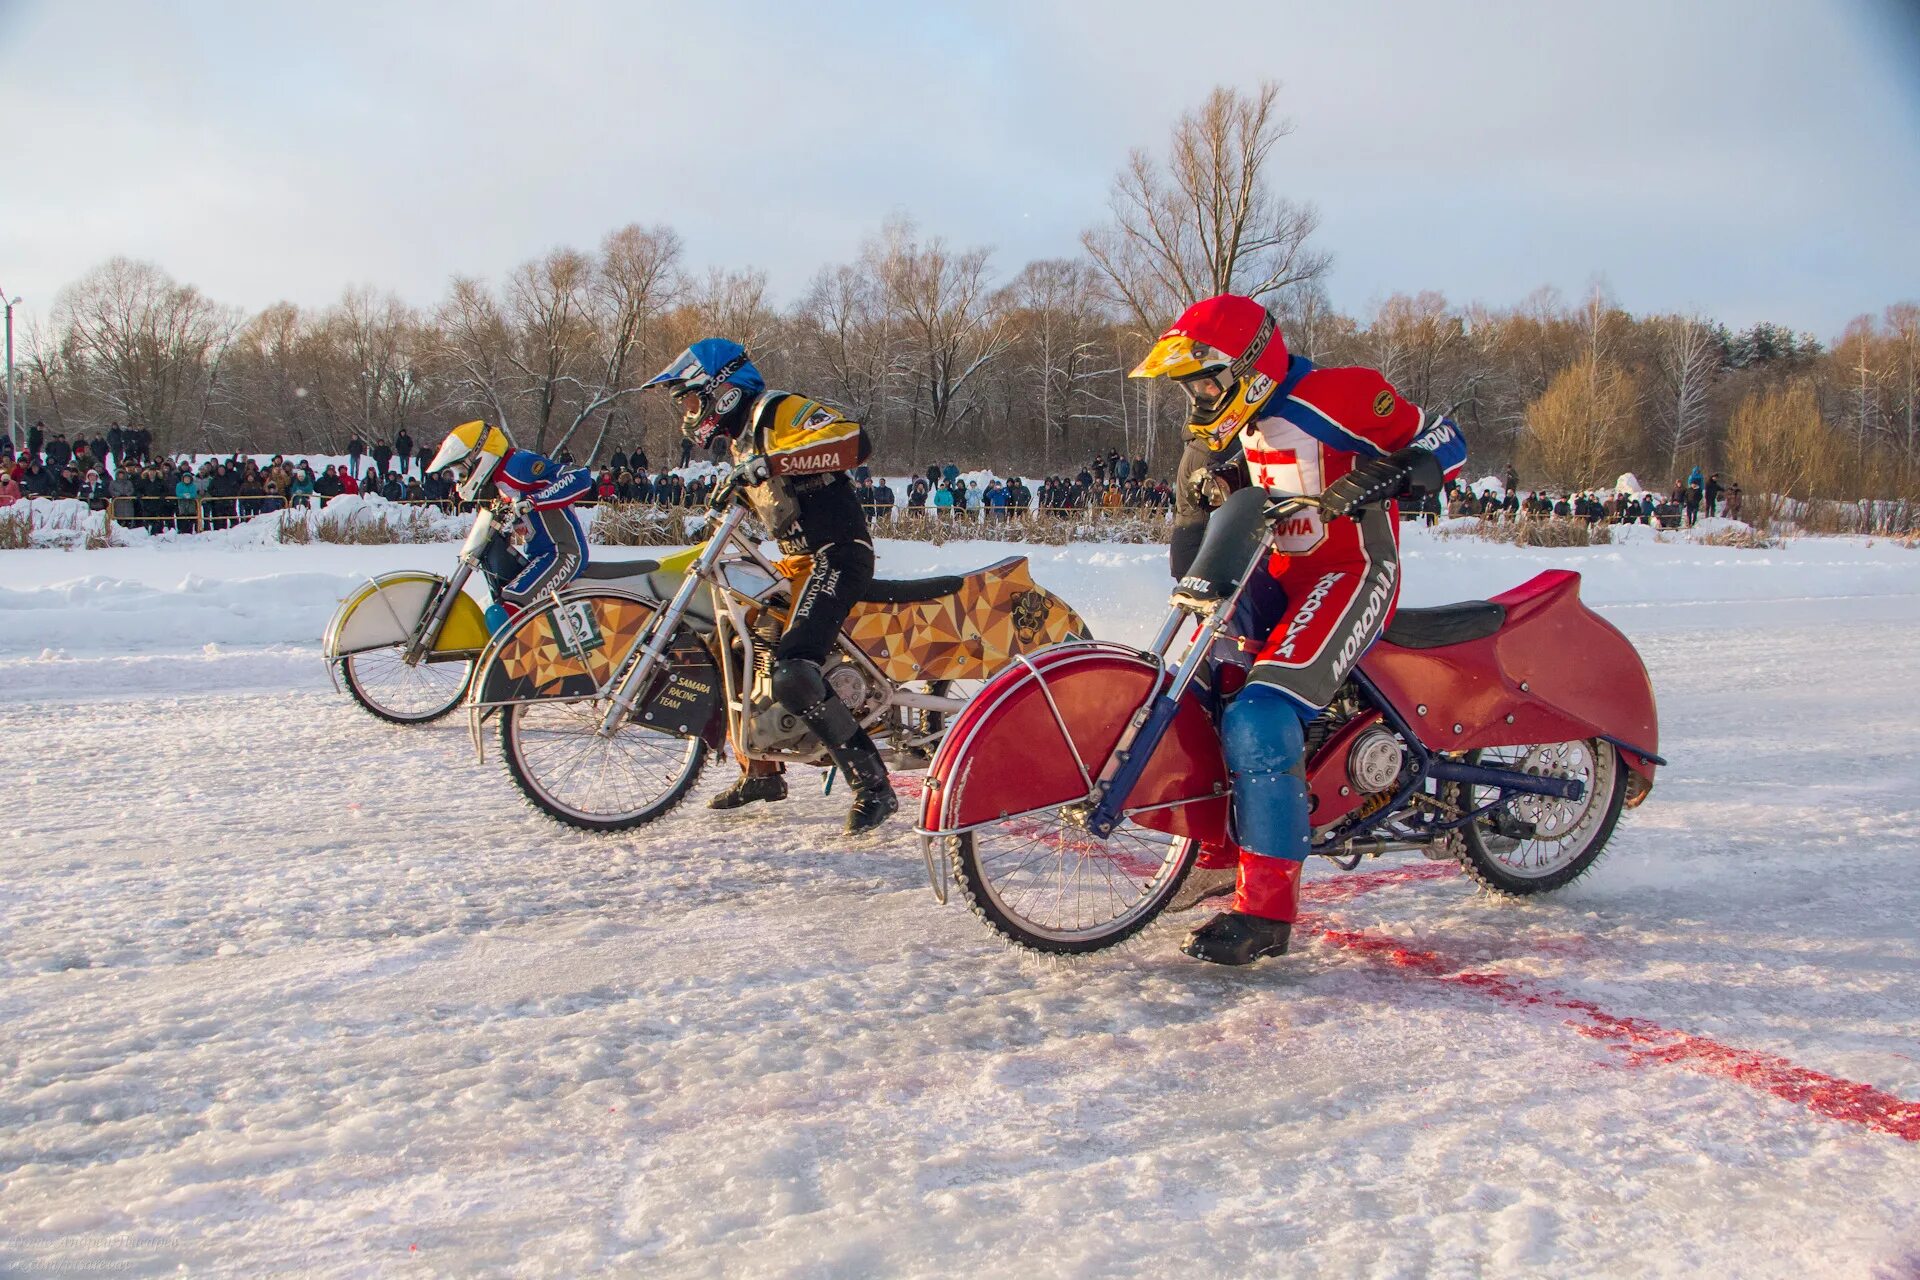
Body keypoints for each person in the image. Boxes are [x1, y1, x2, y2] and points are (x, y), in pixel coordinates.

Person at [1131, 294, 1465, 966]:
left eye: (1204, 381)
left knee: (1260, 714)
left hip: (1350, 572)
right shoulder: (1232, 427)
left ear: (1249, 365)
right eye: (1187, 387)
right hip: (1275, 573)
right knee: (1204, 691)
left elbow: (1445, 438)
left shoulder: (1341, 396)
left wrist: (1406, 469)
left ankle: (1267, 910)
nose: (1197, 398)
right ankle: (1220, 854)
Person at [644, 338, 897, 834]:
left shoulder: (778, 410)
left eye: (691, 401)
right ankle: (760, 771)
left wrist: (775, 463)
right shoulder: (743, 444)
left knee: (792, 672)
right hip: (797, 564)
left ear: (722, 391)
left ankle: (873, 785)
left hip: (838, 554)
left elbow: (854, 443)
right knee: (731, 642)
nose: (689, 416)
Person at [426, 421, 594, 631]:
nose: (459, 479)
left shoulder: (517, 466)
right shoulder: (500, 480)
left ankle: (517, 662)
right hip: (540, 555)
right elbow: (523, 506)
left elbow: (579, 477)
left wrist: (535, 501)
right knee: (498, 599)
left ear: (478, 455)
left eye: (460, 471)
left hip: (562, 554)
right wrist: (518, 519)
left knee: (508, 611)